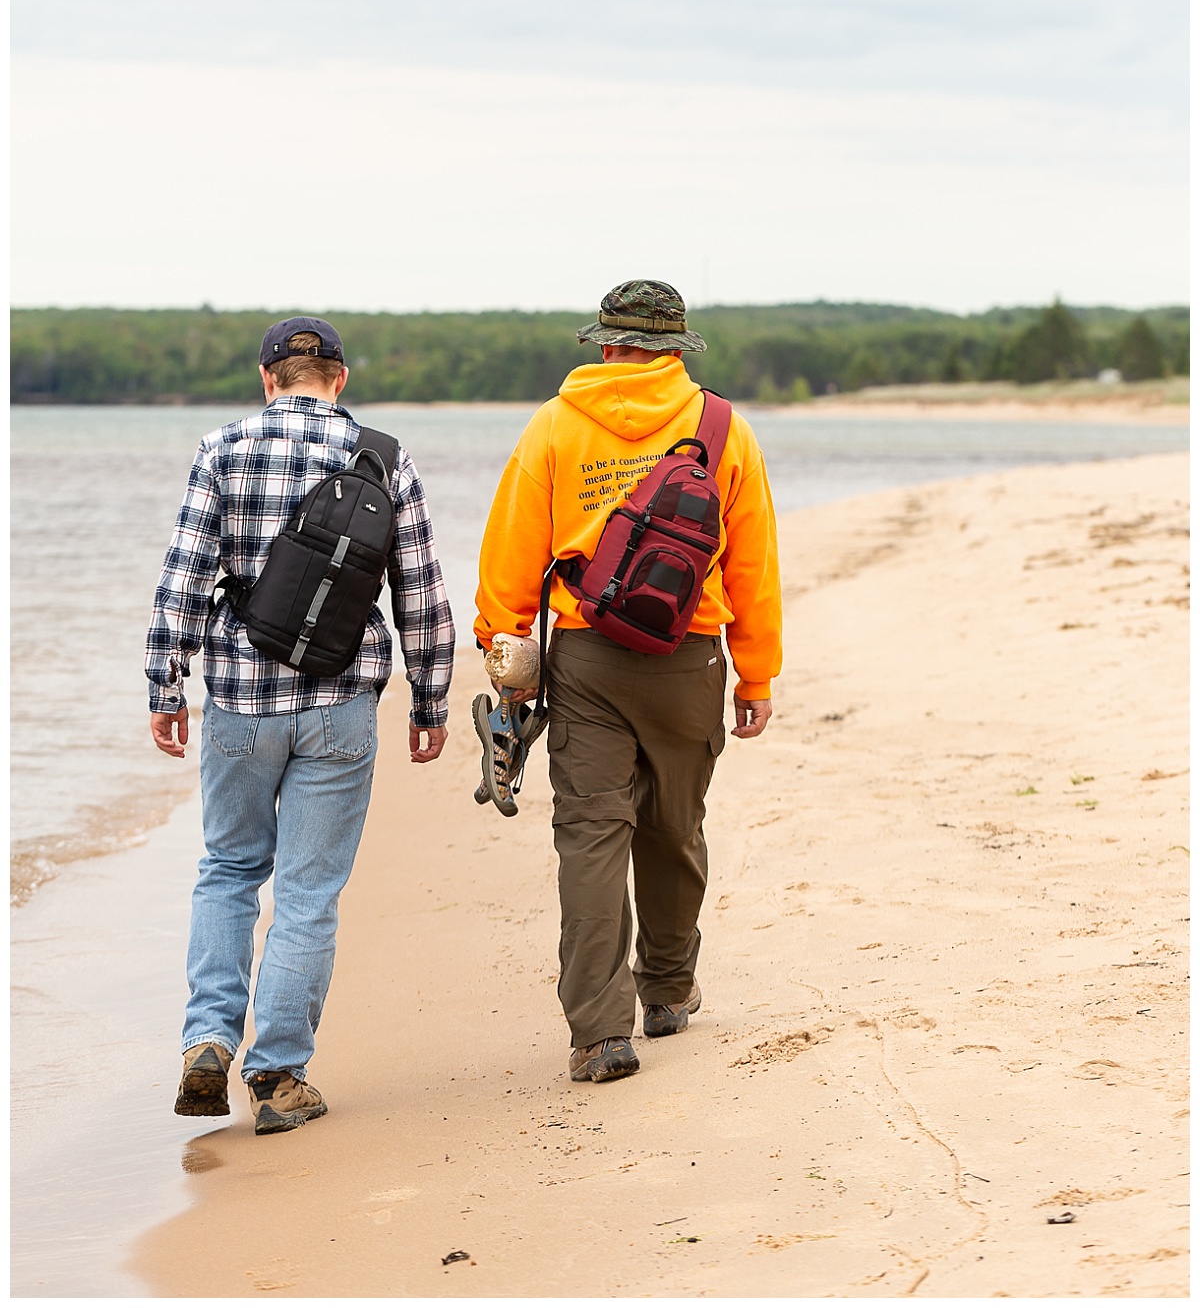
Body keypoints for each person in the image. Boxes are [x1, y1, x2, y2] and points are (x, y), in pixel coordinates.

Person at [146, 318, 454, 1134]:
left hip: (241, 703)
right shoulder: (384, 458)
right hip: (340, 703)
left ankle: (208, 1037)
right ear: (339, 379)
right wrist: (431, 700)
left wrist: (164, 684)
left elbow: (183, 576)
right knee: (309, 893)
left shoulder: (222, 447)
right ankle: (278, 1076)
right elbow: (420, 591)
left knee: (228, 870)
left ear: (266, 376)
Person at [475, 281, 781, 1083]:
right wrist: (757, 674)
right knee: (675, 827)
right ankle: (669, 991)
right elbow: (752, 565)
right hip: (692, 655)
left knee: (591, 836)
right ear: (675, 351)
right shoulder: (726, 431)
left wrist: (502, 651)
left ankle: (600, 1034)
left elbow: (509, 554)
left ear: (605, 346)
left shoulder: (554, 425)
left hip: (587, 657)